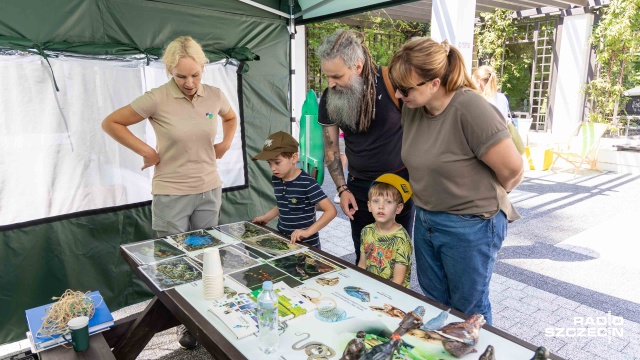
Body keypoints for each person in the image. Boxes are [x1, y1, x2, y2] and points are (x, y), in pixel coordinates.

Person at [102, 35, 237, 349]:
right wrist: (147, 152)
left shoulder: (215, 95)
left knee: (206, 258)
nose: (189, 83)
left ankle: (203, 320)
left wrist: (226, 142)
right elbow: (112, 123)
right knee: (173, 263)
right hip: (171, 193)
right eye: (181, 76)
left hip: (209, 190)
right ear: (169, 72)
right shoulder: (156, 98)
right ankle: (183, 323)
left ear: (203, 69)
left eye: (195, 75)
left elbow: (230, 117)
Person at [388, 38, 524, 325]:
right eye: (396, 87)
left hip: (470, 225)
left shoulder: (470, 109)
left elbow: (513, 170)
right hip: (426, 219)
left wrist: (484, 195)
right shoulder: (413, 106)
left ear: (434, 83)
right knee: (436, 302)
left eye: (405, 88)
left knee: (468, 310)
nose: (399, 95)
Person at [317, 29, 414, 265]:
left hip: (397, 185)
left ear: (358, 66)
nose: (331, 83)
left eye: (337, 76)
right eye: (327, 76)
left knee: (396, 257)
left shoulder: (393, 82)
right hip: (358, 188)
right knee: (365, 255)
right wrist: (342, 190)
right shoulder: (330, 97)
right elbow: (330, 150)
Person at [251, 131, 337, 248]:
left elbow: (331, 211)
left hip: (307, 245)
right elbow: (283, 203)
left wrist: (307, 232)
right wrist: (267, 217)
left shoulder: (307, 182)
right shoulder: (276, 178)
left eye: (277, 162)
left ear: (294, 158)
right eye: (269, 163)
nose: (272, 168)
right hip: (284, 240)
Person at [357, 173, 412, 288]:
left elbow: (398, 281)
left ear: (398, 208)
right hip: (369, 289)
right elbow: (362, 265)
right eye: (376, 201)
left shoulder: (401, 239)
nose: (381, 206)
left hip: (393, 295)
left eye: (388, 202)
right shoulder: (366, 231)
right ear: (369, 205)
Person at [333, 130, 347, 204]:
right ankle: (338, 194)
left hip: (342, 137)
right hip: (342, 137)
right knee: (341, 167)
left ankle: (338, 194)